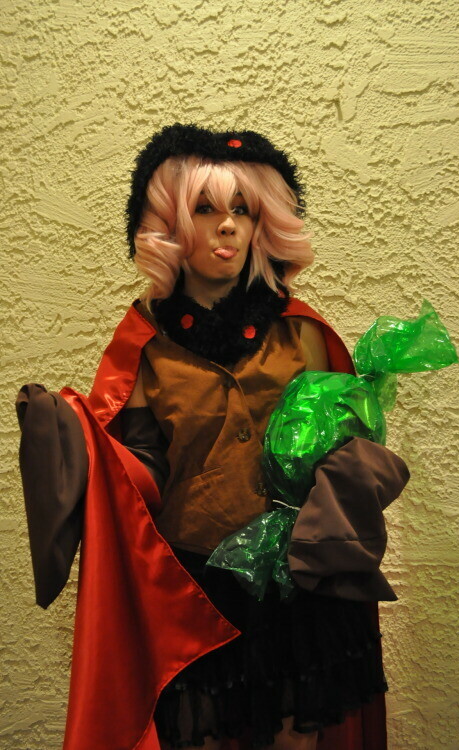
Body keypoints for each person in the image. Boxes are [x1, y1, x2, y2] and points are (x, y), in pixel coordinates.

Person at [16, 124, 410, 750]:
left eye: (242, 210)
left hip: (293, 587)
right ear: (169, 226)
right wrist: (76, 437)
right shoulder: (145, 344)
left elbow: (335, 446)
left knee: (296, 737)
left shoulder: (300, 332)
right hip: (194, 591)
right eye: (204, 209)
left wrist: (350, 469)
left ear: (263, 224)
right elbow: (140, 472)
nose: (226, 225)